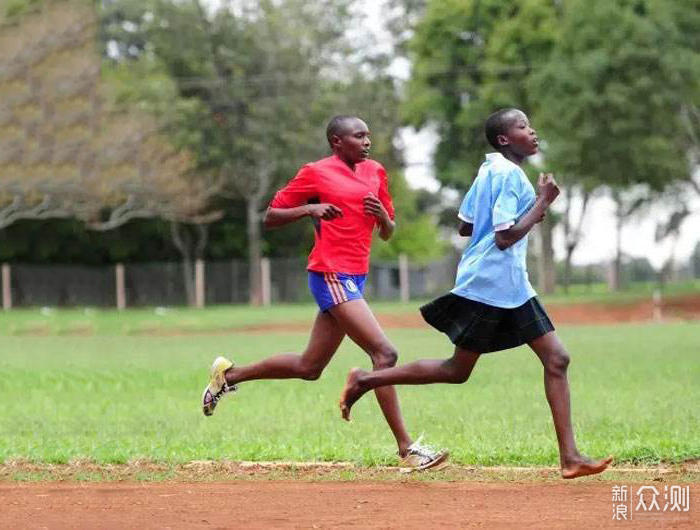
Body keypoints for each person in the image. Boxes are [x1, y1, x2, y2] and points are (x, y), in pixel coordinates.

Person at [339, 108, 613, 479]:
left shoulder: (489, 170)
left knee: (548, 360)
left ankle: (570, 458)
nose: (532, 132)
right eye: (522, 127)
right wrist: (542, 202)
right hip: (492, 283)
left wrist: (527, 207)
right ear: (504, 139)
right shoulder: (509, 175)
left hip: (509, 284)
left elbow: (466, 224)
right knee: (466, 369)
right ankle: (366, 380)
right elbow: (504, 236)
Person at [201, 115, 447, 471]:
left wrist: (383, 217)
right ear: (336, 141)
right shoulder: (316, 172)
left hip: (355, 276)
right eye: (358, 136)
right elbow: (271, 215)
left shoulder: (375, 171)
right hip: (329, 272)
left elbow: (388, 233)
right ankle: (407, 449)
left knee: (309, 366)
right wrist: (310, 209)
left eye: (368, 136)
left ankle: (229, 376)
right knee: (385, 353)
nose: (367, 142)